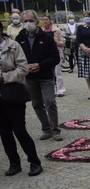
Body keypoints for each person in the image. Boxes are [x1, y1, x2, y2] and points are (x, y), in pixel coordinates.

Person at [0, 22, 42, 176]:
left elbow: (23, 69)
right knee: (4, 132)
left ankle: (34, 161)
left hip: (12, 92)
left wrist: (4, 77)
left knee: (19, 129)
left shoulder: (13, 46)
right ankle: (14, 163)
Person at [15, 10, 62, 141]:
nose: (28, 23)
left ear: (36, 21)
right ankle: (46, 128)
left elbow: (55, 57)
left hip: (45, 75)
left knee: (50, 101)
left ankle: (55, 130)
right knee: (36, 103)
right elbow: (16, 57)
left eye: (31, 20)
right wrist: (25, 66)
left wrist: (40, 65)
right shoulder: (20, 38)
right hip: (29, 77)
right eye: (25, 21)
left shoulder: (46, 37)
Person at [40, 14, 66, 97]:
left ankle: (60, 90)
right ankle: (52, 89)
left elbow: (62, 42)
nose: (45, 21)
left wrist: (56, 43)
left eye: (46, 19)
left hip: (56, 52)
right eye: (43, 19)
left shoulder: (56, 30)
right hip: (45, 54)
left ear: (50, 20)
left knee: (57, 72)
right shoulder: (41, 31)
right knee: (49, 72)